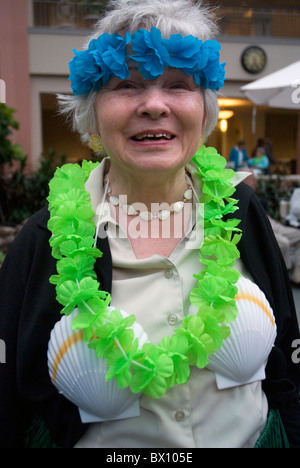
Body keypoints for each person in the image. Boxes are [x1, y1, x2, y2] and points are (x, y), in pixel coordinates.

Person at [0, 0, 299, 449]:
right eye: (126, 85)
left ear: (203, 109)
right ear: (93, 112)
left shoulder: (242, 209)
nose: (154, 105)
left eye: (178, 84)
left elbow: (289, 365)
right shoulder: (44, 237)